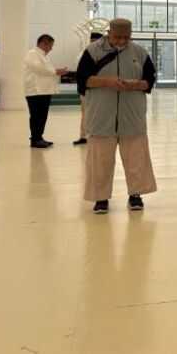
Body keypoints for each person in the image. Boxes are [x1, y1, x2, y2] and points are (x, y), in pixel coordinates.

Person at [77, 18, 158, 214]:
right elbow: (82, 80)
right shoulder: (92, 51)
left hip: (132, 116)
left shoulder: (139, 52)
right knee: (100, 160)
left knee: (136, 159)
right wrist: (107, 82)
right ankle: (100, 198)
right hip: (101, 116)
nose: (121, 41)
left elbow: (149, 80)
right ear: (109, 33)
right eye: (117, 37)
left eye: (126, 37)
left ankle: (135, 195)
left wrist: (135, 85)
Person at [23, 33, 67, 148]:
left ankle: (39, 137)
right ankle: (35, 139)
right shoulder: (32, 53)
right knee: (36, 116)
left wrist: (55, 71)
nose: (51, 49)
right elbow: (39, 68)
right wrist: (55, 71)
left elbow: (47, 69)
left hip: (44, 91)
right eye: (50, 46)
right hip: (35, 91)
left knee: (42, 116)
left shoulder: (43, 56)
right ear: (43, 44)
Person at [74, 31, 103, 146]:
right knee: (86, 113)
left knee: (98, 113)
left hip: (100, 89)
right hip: (87, 89)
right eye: (93, 41)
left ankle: (94, 135)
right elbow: (80, 73)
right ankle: (84, 136)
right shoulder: (84, 54)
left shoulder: (104, 53)